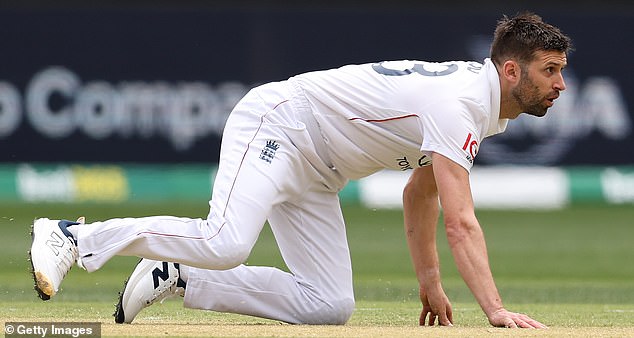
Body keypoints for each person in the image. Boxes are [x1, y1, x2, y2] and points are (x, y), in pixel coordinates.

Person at [29, 12, 571, 328]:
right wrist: (495, 311)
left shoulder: (477, 107)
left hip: (319, 172)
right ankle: (73, 237)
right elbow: (461, 221)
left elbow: (419, 194)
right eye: (549, 71)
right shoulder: (460, 103)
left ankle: (180, 275)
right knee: (226, 242)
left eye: (561, 72)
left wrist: (430, 282)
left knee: (329, 304)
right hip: (281, 127)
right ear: (509, 69)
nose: (560, 85)